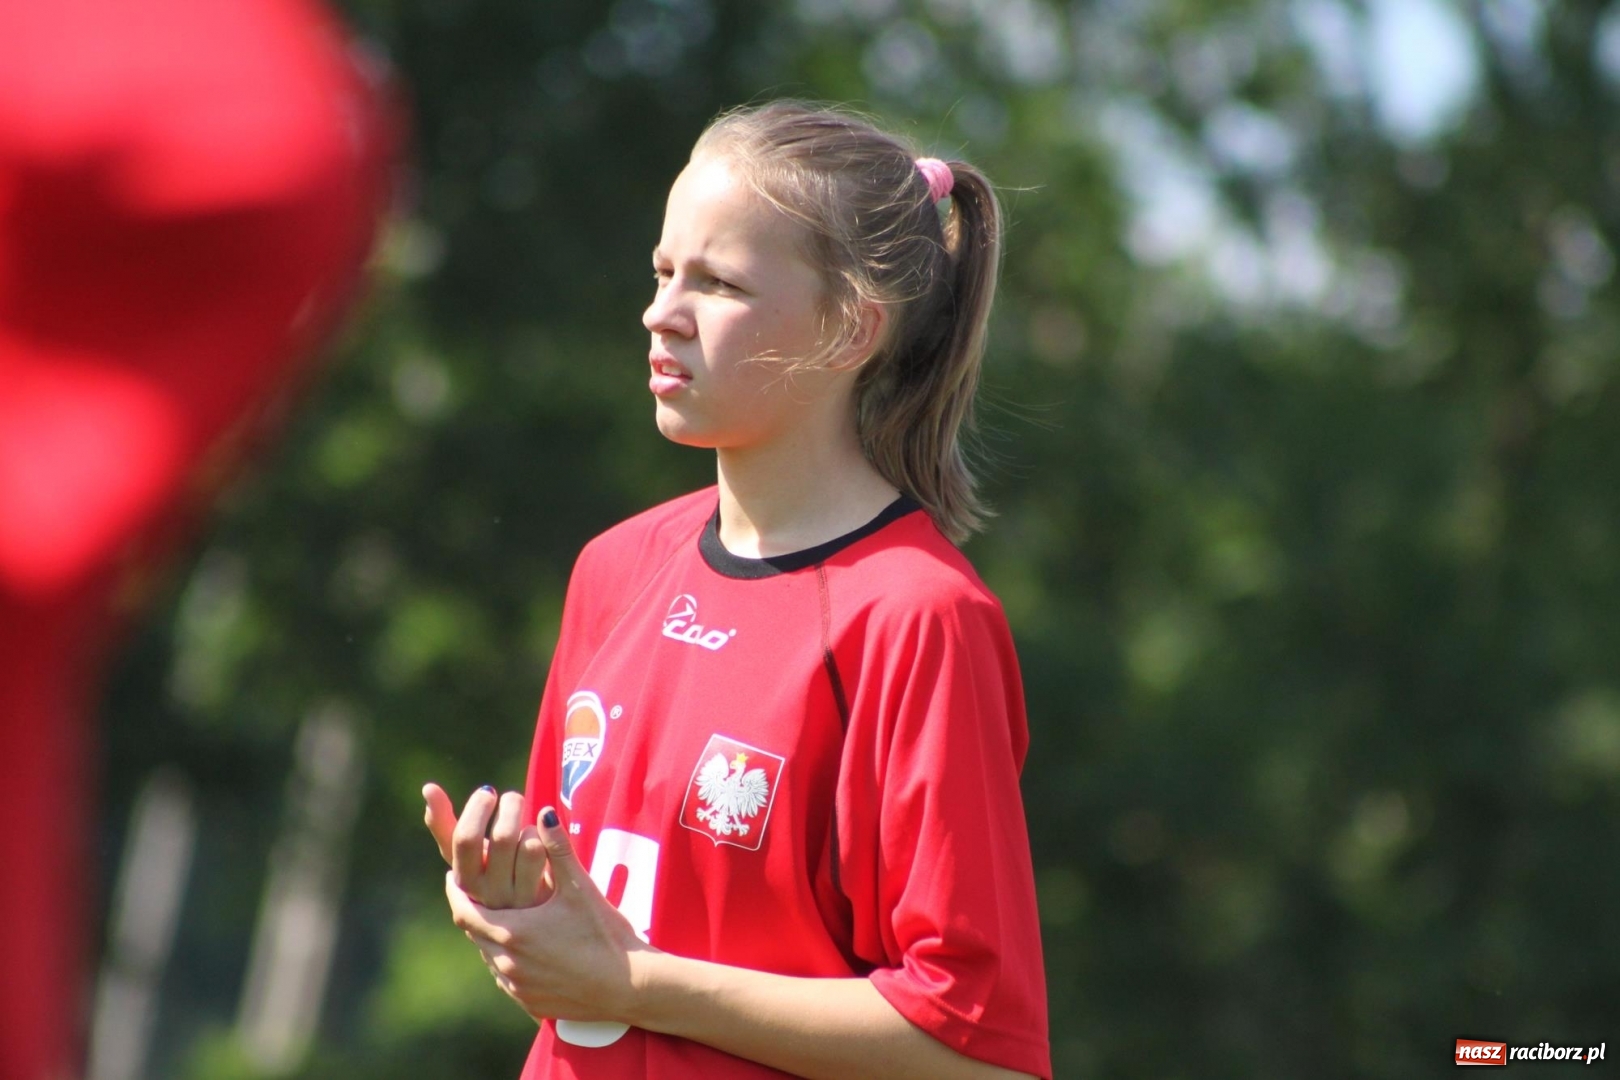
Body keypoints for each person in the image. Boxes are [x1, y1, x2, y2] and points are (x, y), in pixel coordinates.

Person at [422, 100, 1050, 1080]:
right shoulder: (615, 568)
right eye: (664, 271)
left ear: (851, 330)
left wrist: (636, 985)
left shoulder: (918, 620)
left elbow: (980, 1054)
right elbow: (586, 932)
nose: (660, 312)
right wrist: (511, 907)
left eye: (716, 283)